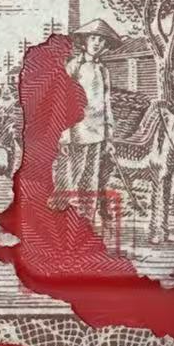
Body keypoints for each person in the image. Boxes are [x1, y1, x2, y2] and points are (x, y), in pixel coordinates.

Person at [58, 19, 120, 211]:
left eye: (101, 40)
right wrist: (64, 136)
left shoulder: (103, 70)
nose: (97, 43)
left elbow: (106, 104)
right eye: (93, 38)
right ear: (84, 41)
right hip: (77, 133)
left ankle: (87, 220)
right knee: (73, 179)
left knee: (91, 182)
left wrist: (109, 137)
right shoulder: (73, 67)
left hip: (97, 135)